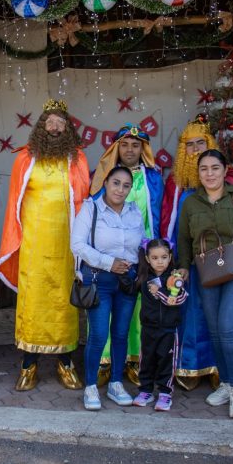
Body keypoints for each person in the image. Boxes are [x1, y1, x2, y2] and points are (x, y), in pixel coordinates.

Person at [0, 99, 90, 391]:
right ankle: (28, 365)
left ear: (68, 129)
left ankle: (65, 363)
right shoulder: (24, 159)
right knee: (33, 303)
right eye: (49, 122)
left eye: (60, 123)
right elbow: (14, 204)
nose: (54, 127)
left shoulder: (77, 159)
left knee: (64, 303)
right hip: (33, 246)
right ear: (40, 127)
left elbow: (84, 202)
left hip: (65, 247)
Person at [177, 149, 233, 419]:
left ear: (225, 170)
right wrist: (183, 266)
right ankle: (227, 384)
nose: (209, 174)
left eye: (214, 168)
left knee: (229, 326)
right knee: (216, 330)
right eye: (203, 169)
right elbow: (183, 239)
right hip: (207, 273)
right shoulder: (191, 203)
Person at [90, 124, 164, 387]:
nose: (130, 149)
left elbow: (160, 213)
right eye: (125, 144)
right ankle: (102, 362)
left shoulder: (154, 177)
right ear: (116, 148)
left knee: (137, 311)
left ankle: (134, 361)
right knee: (104, 310)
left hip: (142, 255)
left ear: (143, 149)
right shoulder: (102, 175)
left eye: (135, 145)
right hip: (108, 257)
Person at [72, 166, 144, 410]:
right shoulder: (91, 208)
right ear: (105, 182)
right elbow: (77, 245)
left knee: (122, 333)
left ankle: (115, 383)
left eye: (126, 185)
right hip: (99, 279)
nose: (120, 189)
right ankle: (91, 386)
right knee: (100, 334)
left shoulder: (134, 212)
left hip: (127, 281)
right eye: (116, 183)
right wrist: (109, 263)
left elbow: (139, 245)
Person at [132, 238, 188, 412]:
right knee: (147, 360)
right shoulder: (144, 278)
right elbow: (130, 289)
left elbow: (178, 299)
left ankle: (165, 393)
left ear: (170, 257)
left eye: (164, 257)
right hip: (148, 327)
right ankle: (145, 390)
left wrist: (160, 292)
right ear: (148, 259)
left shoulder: (174, 279)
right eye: (155, 258)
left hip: (168, 329)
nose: (160, 261)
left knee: (166, 360)